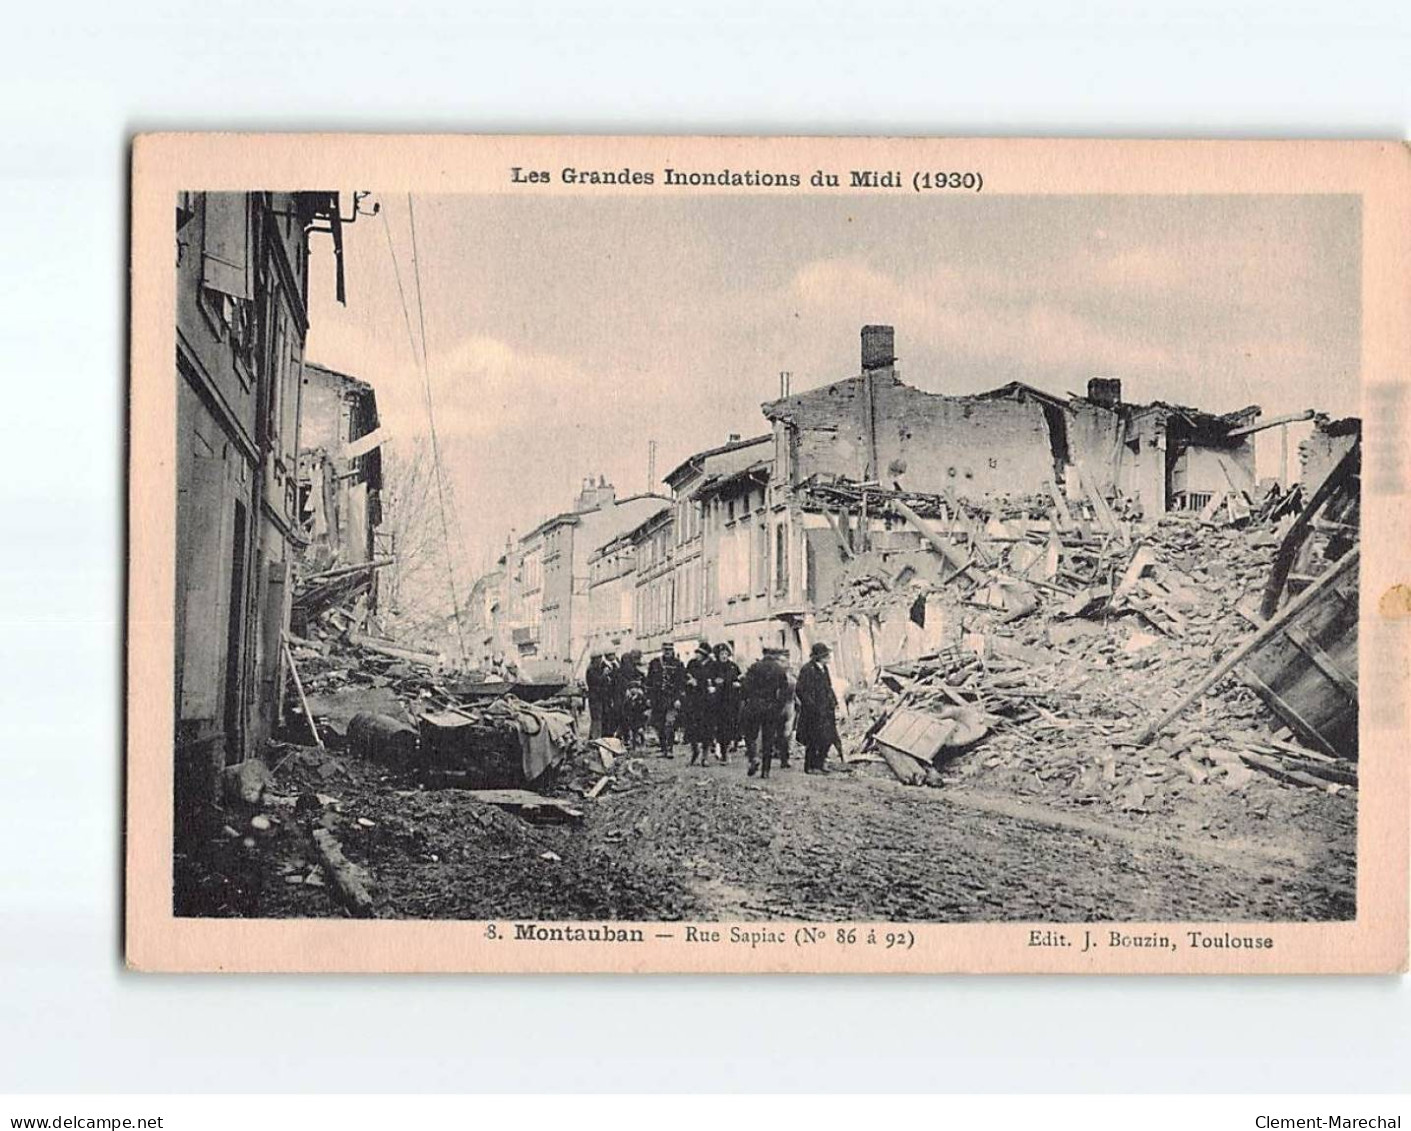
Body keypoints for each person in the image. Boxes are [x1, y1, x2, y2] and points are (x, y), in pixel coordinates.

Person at [740, 646, 792, 778]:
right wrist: (779, 705)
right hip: (771, 707)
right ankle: (766, 770)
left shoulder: (754, 667)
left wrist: (747, 699)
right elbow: (785, 690)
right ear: (773, 656)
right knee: (768, 739)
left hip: (754, 705)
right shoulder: (779, 670)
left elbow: (745, 686)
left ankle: (753, 758)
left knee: (751, 735)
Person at [795, 642, 841, 775]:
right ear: (819, 657)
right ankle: (810, 766)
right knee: (813, 738)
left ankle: (820, 764)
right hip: (813, 712)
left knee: (827, 737)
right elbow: (800, 690)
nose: (829, 658)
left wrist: (834, 701)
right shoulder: (807, 669)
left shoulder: (824, 669)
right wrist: (811, 705)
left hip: (826, 709)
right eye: (826, 655)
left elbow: (828, 687)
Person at [645, 642, 685, 757]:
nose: (667, 652)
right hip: (657, 699)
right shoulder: (655, 663)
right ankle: (663, 748)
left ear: (672, 650)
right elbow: (649, 681)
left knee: (670, 723)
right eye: (665, 650)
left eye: (669, 650)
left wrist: (678, 699)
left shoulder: (678, 664)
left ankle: (670, 749)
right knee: (659, 724)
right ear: (662, 650)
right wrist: (648, 698)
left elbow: (681, 683)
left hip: (671, 698)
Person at [683, 640, 715, 766]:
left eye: (700, 653)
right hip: (693, 701)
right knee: (692, 728)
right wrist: (688, 682)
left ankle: (705, 756)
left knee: (707, 729)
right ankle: (694, 750)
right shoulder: (692, 663)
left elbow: (712, 681)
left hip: (707, 702)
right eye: (697, 653)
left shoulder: (712, 665)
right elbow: (685, 676)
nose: (697, 655)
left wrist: (699, 683)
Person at [711, 642, 742, 760]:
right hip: (717, 701)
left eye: (726, 654)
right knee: (717, 725)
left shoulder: (733, 666)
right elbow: (709, 680)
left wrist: (738, 684)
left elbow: (738, 678)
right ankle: (718, 747)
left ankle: (726, 749)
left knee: (729, 725)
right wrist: (713, 685)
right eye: (721, 654)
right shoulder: (713, 666)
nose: (724, 656)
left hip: (730, 700)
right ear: (717, 655)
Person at [585, 653, 610, 739]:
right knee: (596, 719)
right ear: (594, 659)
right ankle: (595, 738)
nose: (600, 661)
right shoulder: (591, 670)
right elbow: (596, 681)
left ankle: (593, 738)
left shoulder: (598, 667)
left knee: (600, 718)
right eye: (599, 659)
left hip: (600, 697)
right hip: (595, 698)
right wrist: (604, 674)